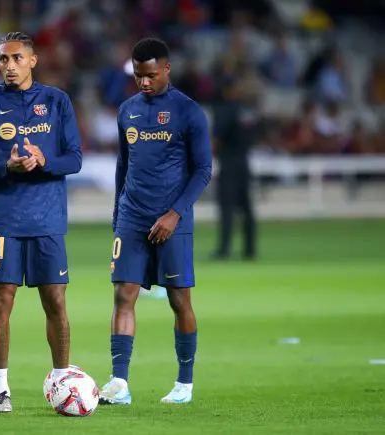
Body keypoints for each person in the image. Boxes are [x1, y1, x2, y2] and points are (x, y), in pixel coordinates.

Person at [0, 32, 82, 413]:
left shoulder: (56, 101)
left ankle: (63, 379)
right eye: (3, 59)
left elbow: (75, 159)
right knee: (2, 300)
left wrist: (44, 160)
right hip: (3, 219)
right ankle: (1, 389)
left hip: (47, 218)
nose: (9, 66)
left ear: (33, 60)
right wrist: (7, 166)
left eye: (16, 58)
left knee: (56, 300)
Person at [99, 38, 212, 405]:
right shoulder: (127, 110)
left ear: (166, 69)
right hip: (132, 218)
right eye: (137, 75)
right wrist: (118, 215)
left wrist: (175, 213)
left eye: (150, 75)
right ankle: (119, 383)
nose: (143, 82)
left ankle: (184, 383)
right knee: (123, 295)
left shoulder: (188, 112)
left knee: (179, 301)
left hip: (172, 220)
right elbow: (123, 167)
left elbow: (203, 170)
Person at [210, 77, 257, 260]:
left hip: (228, 163)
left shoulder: (224, 110)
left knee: (227, 208)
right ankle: (250, 249)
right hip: (244, 162)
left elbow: (217, 137)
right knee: (246, 208)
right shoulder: (246, 111)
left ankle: (224, 249)